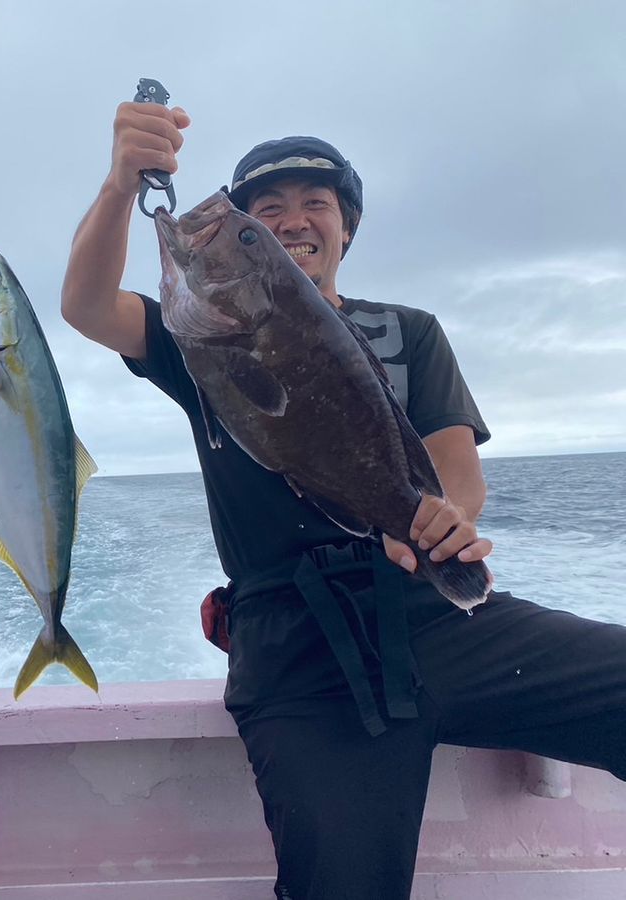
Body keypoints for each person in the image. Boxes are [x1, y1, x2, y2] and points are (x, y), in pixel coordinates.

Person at [61, 104, 626, 899]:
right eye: (268, 210)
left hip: (432, 609)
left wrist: (448, 516)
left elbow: (455, 468)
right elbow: (86, 305)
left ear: (347, 228)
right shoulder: (200, 337)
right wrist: (124, 183)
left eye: (314, 204)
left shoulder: (410, 330)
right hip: (295, 648)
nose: (293, 220)